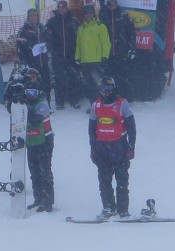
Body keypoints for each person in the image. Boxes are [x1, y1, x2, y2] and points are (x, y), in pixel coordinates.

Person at [88, 75, 135, 218]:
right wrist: (93, 148)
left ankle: (123, 210)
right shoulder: (96, 105)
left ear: (113, 89)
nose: (106, 92)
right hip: (102, 150)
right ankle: (108, 207)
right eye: (103, 89)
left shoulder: (122, 103)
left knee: (122, 181)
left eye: (109, 89)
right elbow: (91, 129)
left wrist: (131, 146)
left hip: (120, 150)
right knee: (104, 182)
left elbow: (131, 127)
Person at [22, 69, 55, 213]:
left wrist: (24, 111)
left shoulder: (43, 103)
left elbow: (36, 120)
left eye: (33, 93)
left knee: (44, 171)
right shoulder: (25, 103)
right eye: (28, 93)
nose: (30, 96)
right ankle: (38, 198)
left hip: (45, 141)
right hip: (31, 142)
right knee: (34, 171)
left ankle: (47, 202)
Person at [46, 0, 80, 109]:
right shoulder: (52, 22)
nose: (61, 9)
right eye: (60, 7)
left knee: (73, 77)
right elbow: (47, 38)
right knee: (59, 78)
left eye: (63, 7)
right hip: (58, 55)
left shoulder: (73, 21)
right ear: (58, 8)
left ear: (66, 8)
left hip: (71, 55)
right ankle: (59, 102)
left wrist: (77, 52)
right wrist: (52, 49)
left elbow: (78, 38)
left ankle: (74, 100)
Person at [75, 4, 111, 105]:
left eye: (90, 12)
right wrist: (77, 58)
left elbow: (106, 43)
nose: (88, 15)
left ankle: (102, 104)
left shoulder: (100, 26)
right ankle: (93, 105)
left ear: (93, 14)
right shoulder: (81, 28)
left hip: (96, 60)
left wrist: (105, 57)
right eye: (86, 13)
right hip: (85, 61)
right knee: (89, 85)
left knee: (98, 84)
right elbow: (78, 45)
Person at [100, 0, 136, 95]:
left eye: (114, 3)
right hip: (108, 53)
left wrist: (131, 48)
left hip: (121, 52)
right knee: (108, 76)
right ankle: (108, 96)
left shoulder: (124, 15)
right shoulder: (102, 15)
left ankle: (122, 96)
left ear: (116, 4)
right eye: (110, 4)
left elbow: (131, 33)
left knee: (121, 75)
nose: (112, 6)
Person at [16, 8, 52, 101]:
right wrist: (30, 46)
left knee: (46, 84)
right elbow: (20, 47)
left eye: (34, 15)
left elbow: (50, 41)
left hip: (43, 62)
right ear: (28, 17)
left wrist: (47, 46)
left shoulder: (43, 28)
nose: (33, 18)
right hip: (32, 64)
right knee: (32, 85)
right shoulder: (23, 30)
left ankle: (46, 104)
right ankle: (33, 104)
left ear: (37, 17)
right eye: (31, 16)